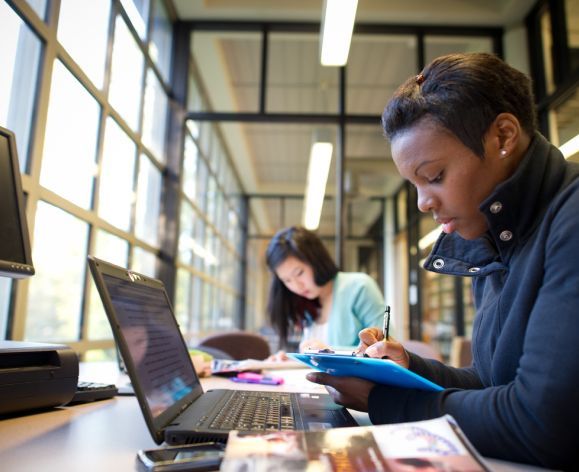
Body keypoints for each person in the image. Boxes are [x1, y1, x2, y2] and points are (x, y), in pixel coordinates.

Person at [305, 52, 579, 470]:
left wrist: (387, 402)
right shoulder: (495, 241)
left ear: (504, 136)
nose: (422, 202)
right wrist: (407, 370)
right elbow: (491, 384)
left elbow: (542, 422)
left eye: (433, 176)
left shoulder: (570, 222)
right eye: (414, 184)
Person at [265, 225, 387, 356]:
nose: (296, 286)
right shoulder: (308, 305)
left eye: (299, 273)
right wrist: (289, 360)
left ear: (316, 260)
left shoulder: (359, 287)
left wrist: (330, 352)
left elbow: (387, 348)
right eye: (287, 280)